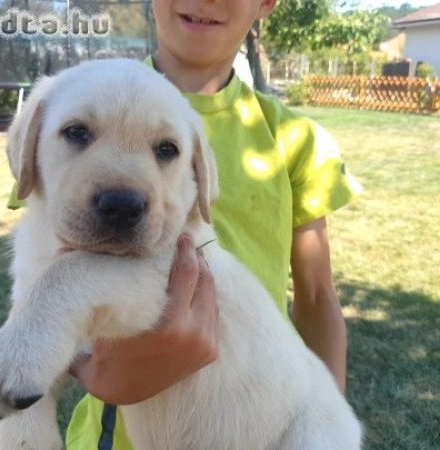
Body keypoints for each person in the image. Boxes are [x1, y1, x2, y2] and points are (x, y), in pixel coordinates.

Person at [62, 0, 362, 448]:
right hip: (121, 432)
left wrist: (324, 424)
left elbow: (317, 298)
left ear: (267, 4)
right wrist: (96, 371)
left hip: (255, 418)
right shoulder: (76, 107)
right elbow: (41, 275)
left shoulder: (295, 140)